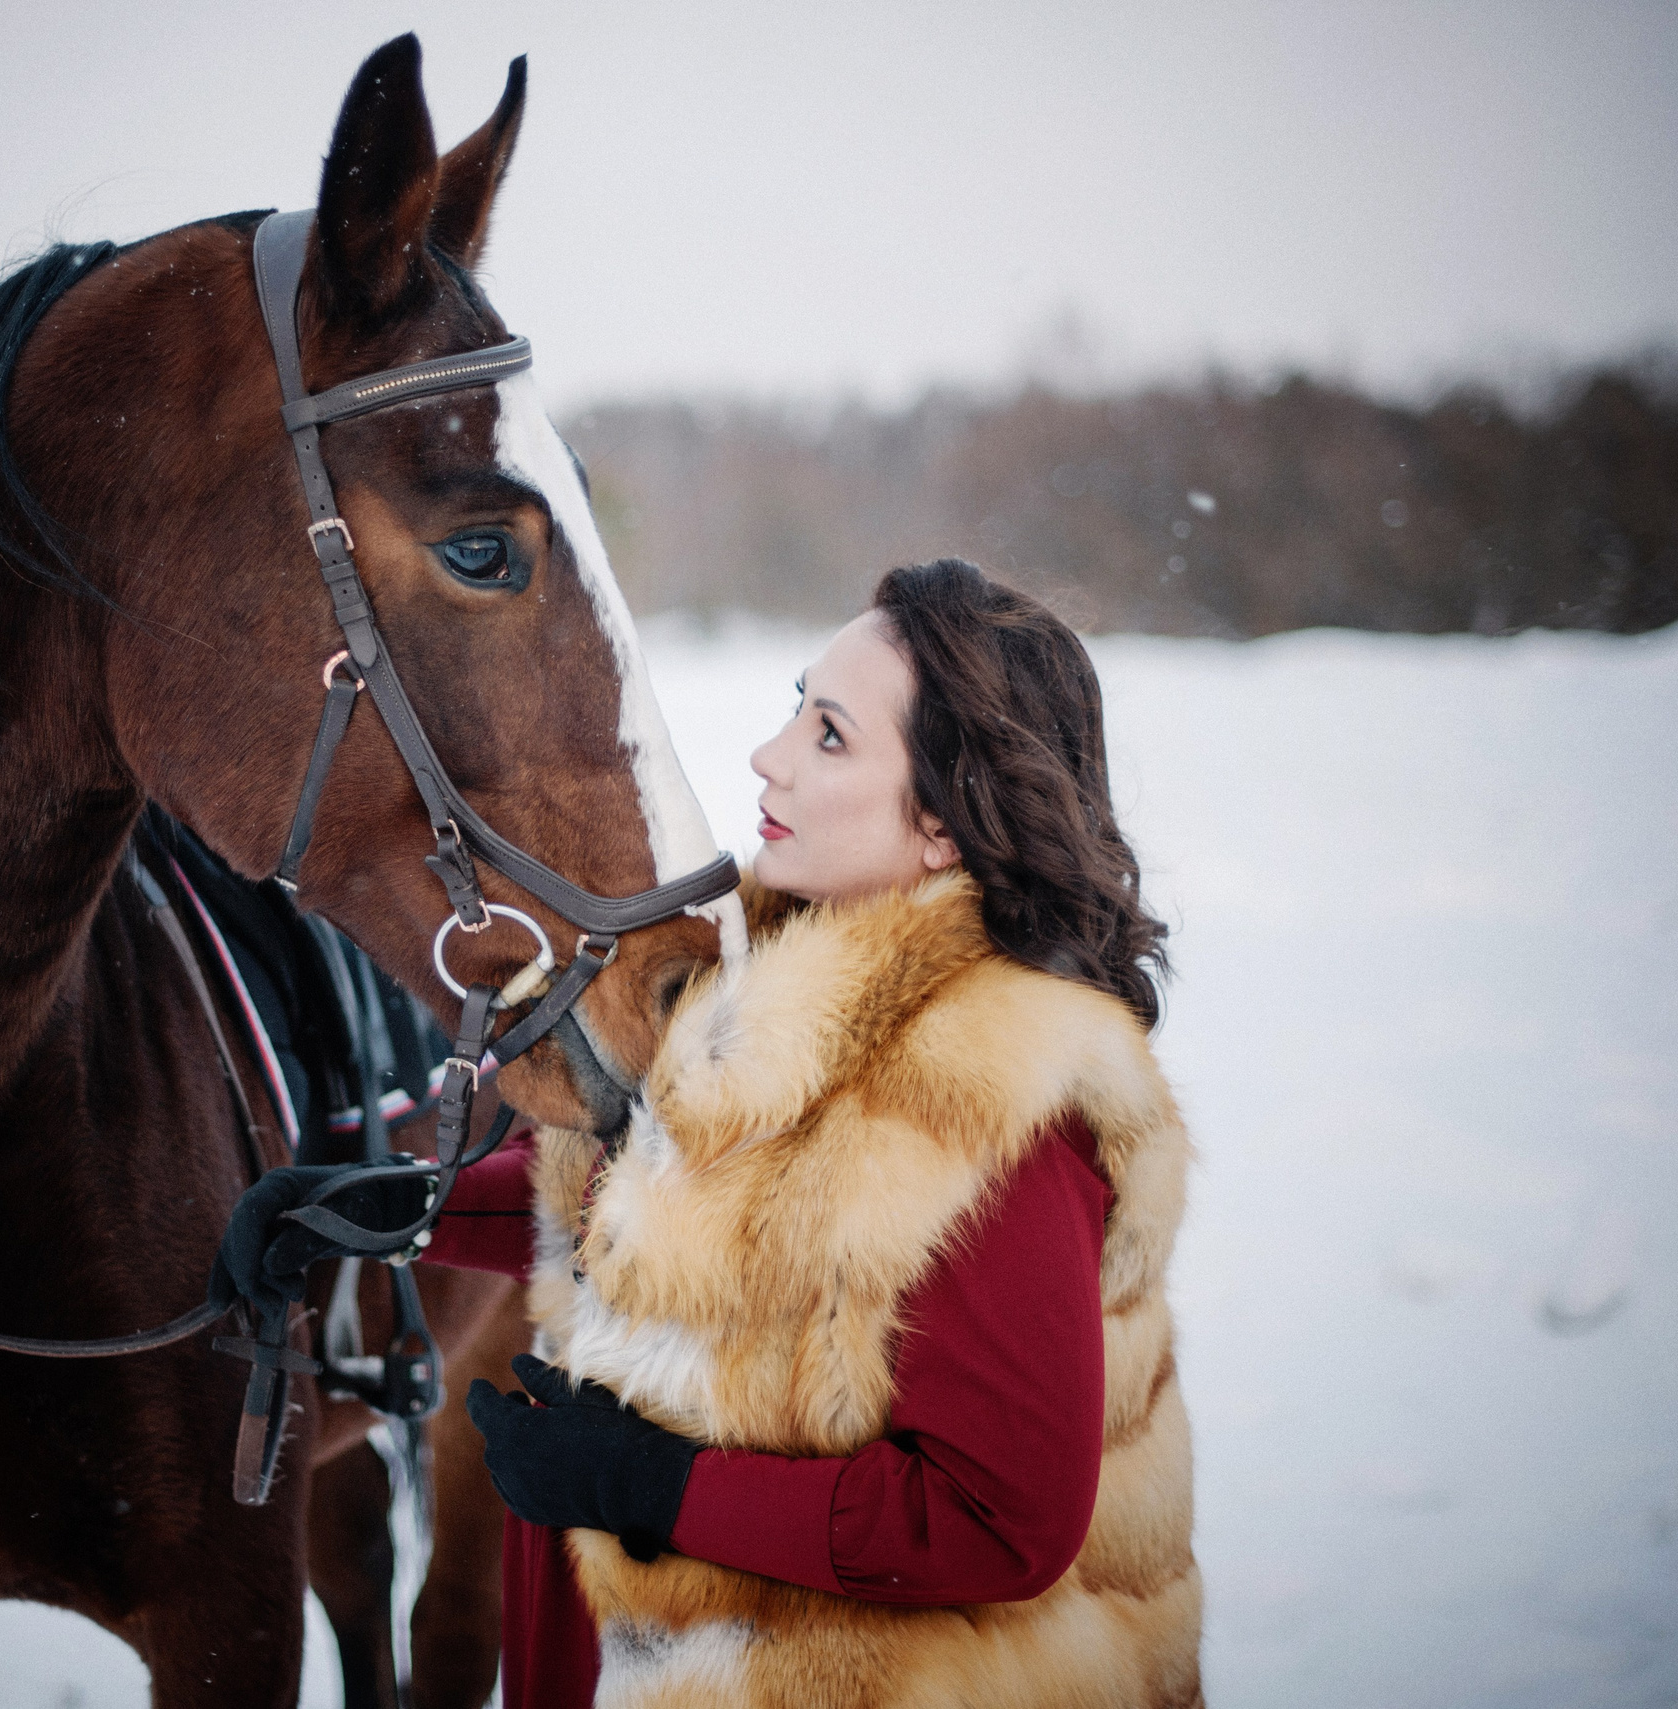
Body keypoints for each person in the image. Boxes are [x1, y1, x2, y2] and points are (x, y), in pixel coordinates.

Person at [222, 559, 1201, 1708]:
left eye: (828, 734)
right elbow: (663, 1194)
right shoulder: (772, 982)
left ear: (943, 818)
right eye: (796, 703)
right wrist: (396, 1205)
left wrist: (654, 1485)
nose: (769, 753)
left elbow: (997, 1520)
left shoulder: (993, 1097)